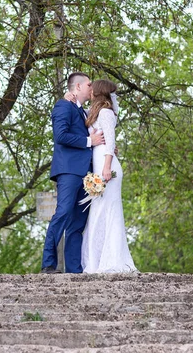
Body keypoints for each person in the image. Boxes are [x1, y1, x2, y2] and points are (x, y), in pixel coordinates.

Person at [41, 72, 105, 274]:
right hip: (68, 171)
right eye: (88, 84)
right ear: (77, 87)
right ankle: (48, 263)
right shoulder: (63, 106)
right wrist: (89, 141)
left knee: (78, 222)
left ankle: (74, 269)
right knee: (63, 213)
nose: (91, 87)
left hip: (87, 175)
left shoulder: (85, 112)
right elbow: (60, 136)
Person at [81, 79, 137, 273]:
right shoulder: (94, 112)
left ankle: (111, 260)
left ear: (98, 92)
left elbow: (110, 142)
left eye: (92, 89)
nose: (89, 91)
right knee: (97, 213)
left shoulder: (106, 113)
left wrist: (106, 167)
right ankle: (96, 261)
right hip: (98, 166)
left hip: (107, 168)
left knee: (108, 213)